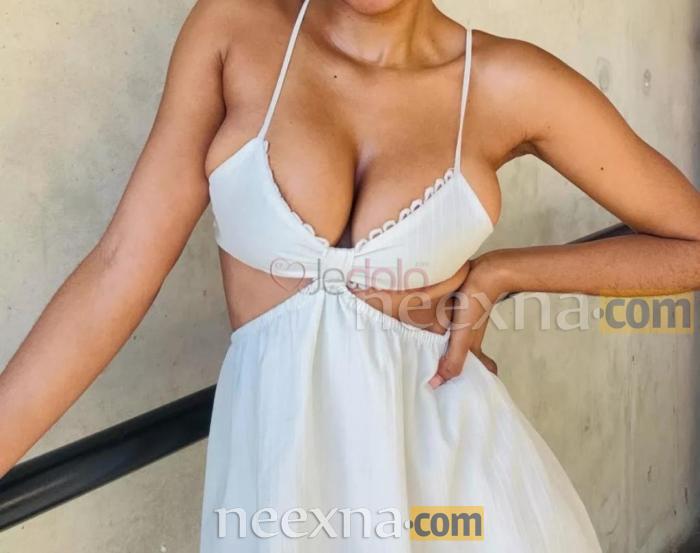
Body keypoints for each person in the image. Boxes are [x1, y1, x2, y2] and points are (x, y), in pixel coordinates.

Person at [1, 0, 699, 550]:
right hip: (279, 497)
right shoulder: (235, 29)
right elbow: (118, 268)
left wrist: (504, 272)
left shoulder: (506, 81)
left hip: (457, 495)